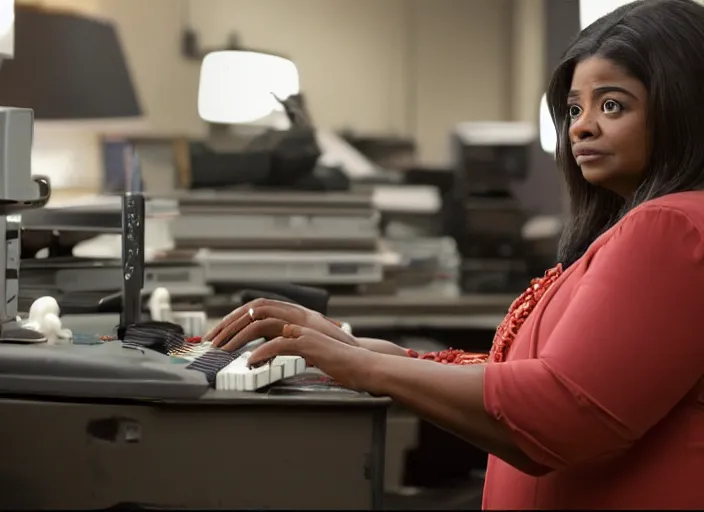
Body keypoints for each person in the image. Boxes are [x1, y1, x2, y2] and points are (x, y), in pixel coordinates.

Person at [204, 0, 704, 508]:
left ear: (683, 106)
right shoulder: (665, 222)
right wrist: (354, 351)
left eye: (612, 105)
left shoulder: (672, 226)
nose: (581, 127)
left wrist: (368, 371)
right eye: (575, 109)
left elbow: (563, 412)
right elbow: (538, 375)